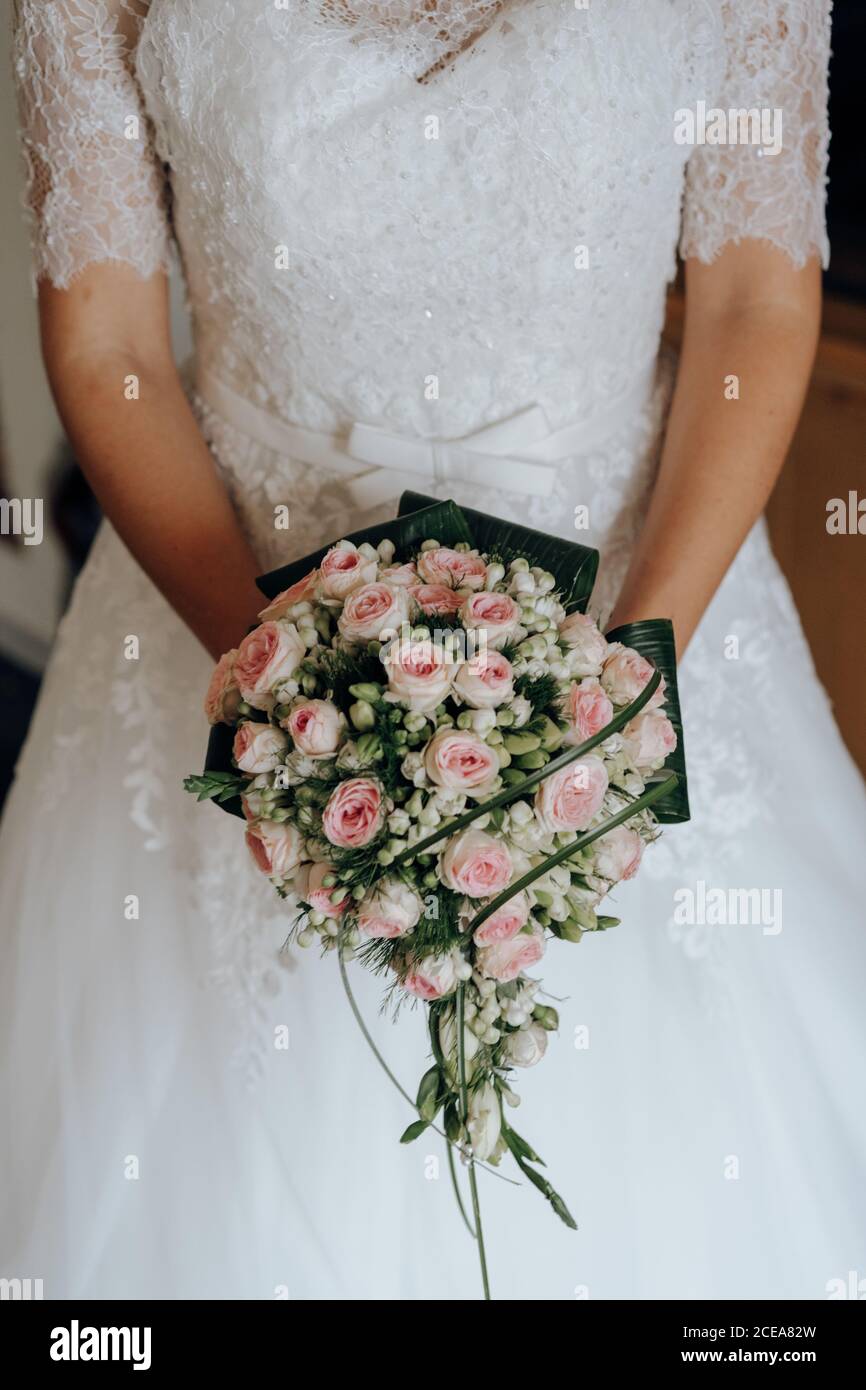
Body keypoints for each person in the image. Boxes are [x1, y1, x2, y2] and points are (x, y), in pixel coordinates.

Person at [2, 0, 863, 1299]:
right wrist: (289, 696)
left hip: (639, 608)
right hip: (222, 618)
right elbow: (107, 336)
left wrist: (617, 692)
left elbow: (750, 295)